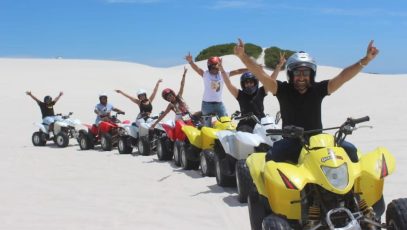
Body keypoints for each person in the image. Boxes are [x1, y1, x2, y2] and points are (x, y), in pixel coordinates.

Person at [234, 38, 379, 163]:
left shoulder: (318, 89)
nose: (302, 77)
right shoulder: (282, 90)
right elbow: (261, 74)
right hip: (291, 142)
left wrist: (365, 61)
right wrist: (243, 56)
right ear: (291, 74)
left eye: (306, 73)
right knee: (271, 159)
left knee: (351, 150)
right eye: (297, 73)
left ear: (312, 74)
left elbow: (342, 77)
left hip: (319, 142)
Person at [219, 53, 286, 132]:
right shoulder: (240, 94)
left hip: (262, 122)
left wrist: (278, 67)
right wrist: (222, 70)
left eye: (251, 82)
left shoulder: (261, 91)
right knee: (244, 136)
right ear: (243, 84)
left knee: (274, 136)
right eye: (246, 83)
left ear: (255, 83)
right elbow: (228, 84)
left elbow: (271, 80)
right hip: (246, 124)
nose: (249, 84)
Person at [185, 53, 247, 117]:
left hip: (219, 104)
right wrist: (190, 61)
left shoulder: (223, 74)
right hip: (206, 104)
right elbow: (197, 68)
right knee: (207, 124)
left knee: (225, 120)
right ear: (209, 67)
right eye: (212, 67)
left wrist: (251, 69)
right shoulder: (205, 74)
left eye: (216, 68)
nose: (214, 69)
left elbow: (237, 71)